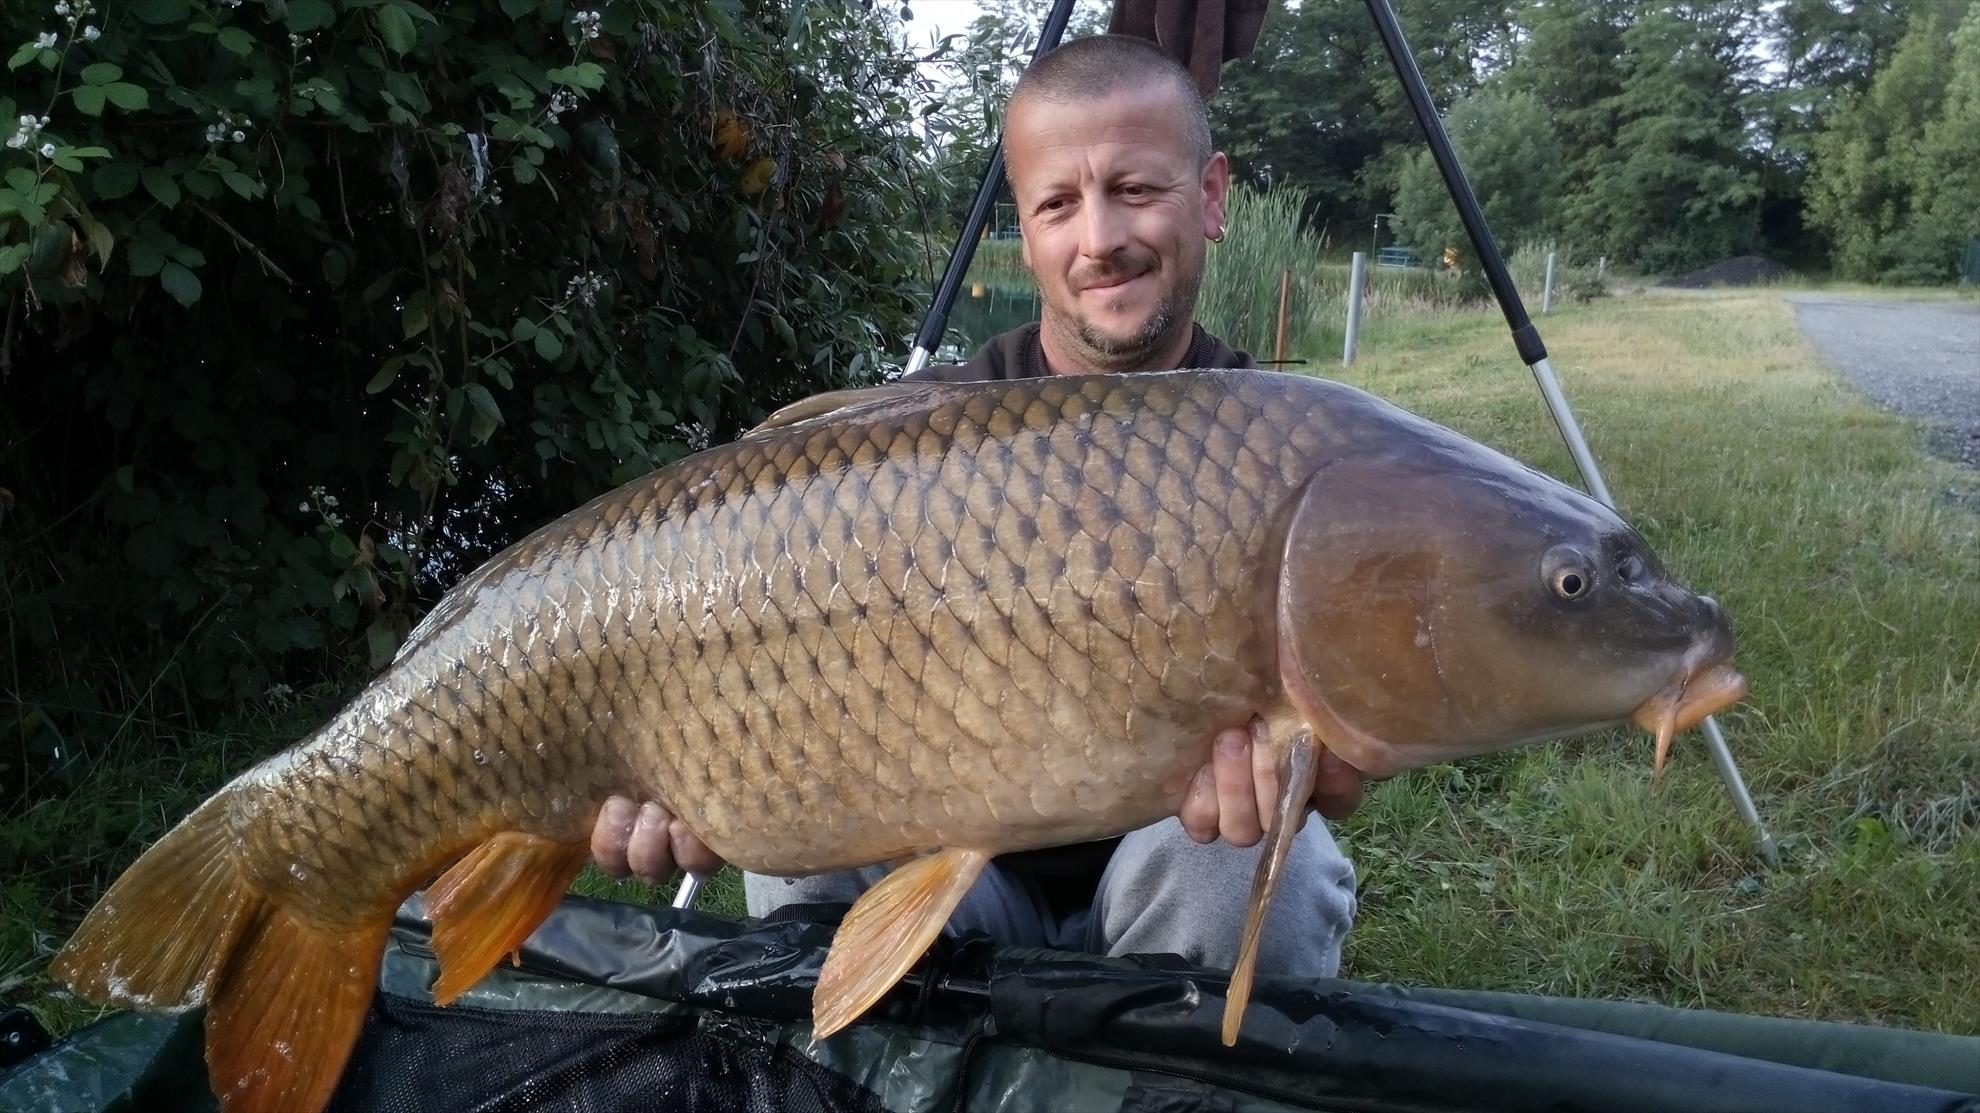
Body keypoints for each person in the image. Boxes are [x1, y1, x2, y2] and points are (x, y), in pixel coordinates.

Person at [592, 34, 1362, 980]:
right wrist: (684, 773)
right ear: (1024, 232)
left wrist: (1331, 749)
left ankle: (1163, 1054)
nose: (1099, 239)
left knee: (1266, 865)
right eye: (1057, 204)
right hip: (958, 870)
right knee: (795, 855)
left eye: (1135, 189)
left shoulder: (1281, 448)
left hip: (1168, 862)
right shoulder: (919, 443)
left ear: (1210, 195)